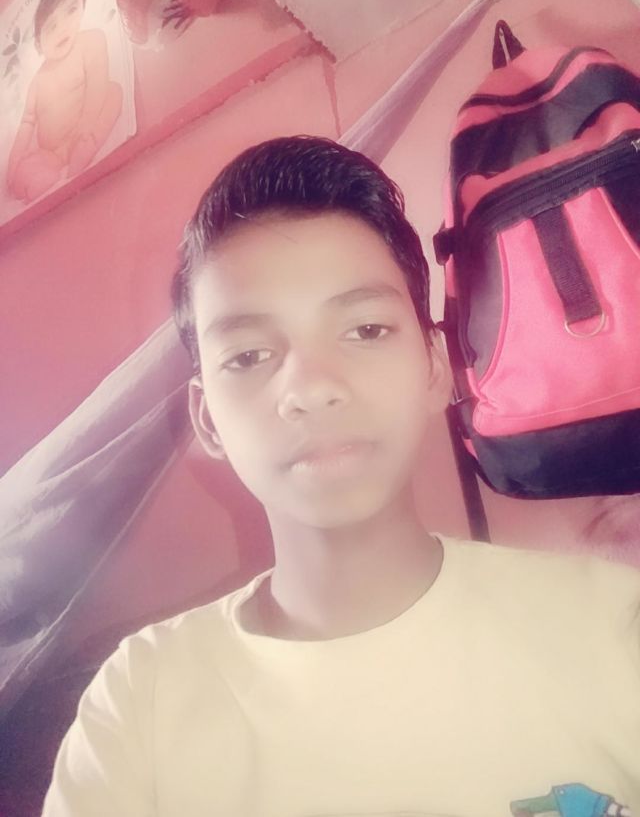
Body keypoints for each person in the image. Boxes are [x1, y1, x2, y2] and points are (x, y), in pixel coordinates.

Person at [43, 136, 640, 816]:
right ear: (207, 419)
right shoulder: (138, 702)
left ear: (434, 365)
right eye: (249, 355)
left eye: (365, 330)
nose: (312, 387)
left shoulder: (614, 626)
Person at [6, 0, 122, 203]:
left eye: (71, 10)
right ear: (38, 42)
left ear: (83, 6)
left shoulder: (91, 42)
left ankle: (88, 145)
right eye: (52, 26)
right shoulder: (37, 80)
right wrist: (14, 163)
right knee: (25, 169)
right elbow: (27, 123)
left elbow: (97, 84)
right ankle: (36, 178)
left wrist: (87, 123)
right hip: (50, 151)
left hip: (83, 127)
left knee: (113, 91)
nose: (63, 28)